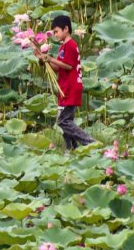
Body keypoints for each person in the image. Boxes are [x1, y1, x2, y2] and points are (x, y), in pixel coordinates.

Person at [34, 15, 95, 150]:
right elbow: (58, 68)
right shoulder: (63, 47)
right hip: (65, 87)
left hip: (71, 87)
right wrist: (44, 60)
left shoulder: (71, 45)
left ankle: (90, 143)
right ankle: (71, 149)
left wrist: (49, 57)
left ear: (66, 29)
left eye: (56, 31)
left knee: (63, 121)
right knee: (66, 121)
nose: (55, 35)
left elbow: (68, 66)